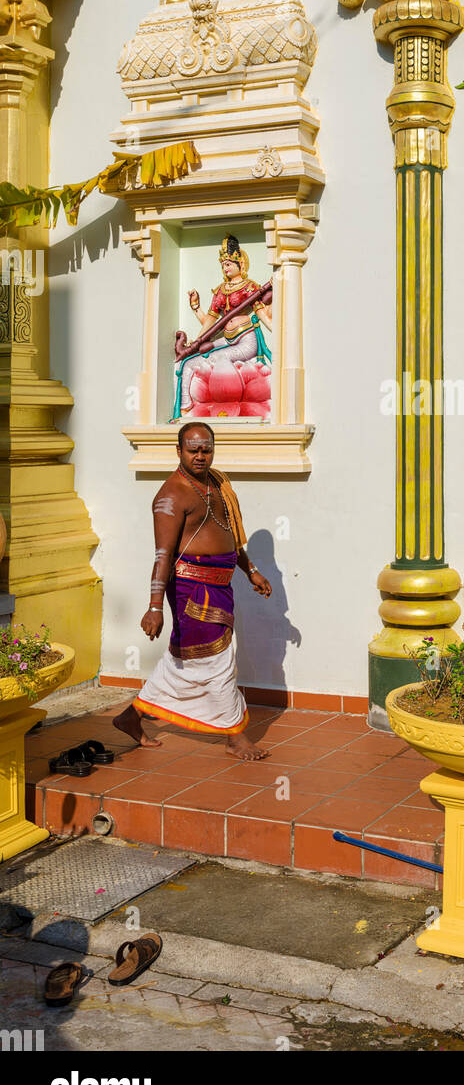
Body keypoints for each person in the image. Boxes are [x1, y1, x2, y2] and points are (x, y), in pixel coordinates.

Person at [113, 422, 273, 760]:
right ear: (178, 451)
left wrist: (251, 571)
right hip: (192, 590)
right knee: (217, 661)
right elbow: (163, 555)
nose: (200, 456)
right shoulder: (170, 496)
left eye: (206, 449)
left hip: (221, 586)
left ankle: (133, 716)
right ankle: (234, 736)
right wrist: (155, 607)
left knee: (184, 663)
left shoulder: (217, 483)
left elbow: (229, 536)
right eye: (193, 450)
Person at [173, 233, 272, 419]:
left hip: (246, 341)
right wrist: (196, 309)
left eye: (228, 264)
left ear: (240, 264)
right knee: (186, 362)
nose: (225, 268)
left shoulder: (250, 287)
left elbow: (262, 315)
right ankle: (184, 407)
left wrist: (277, 329)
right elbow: (212, 324)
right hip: (226, 339)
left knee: (210, 361)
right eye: (223, 265)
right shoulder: (220, 290)